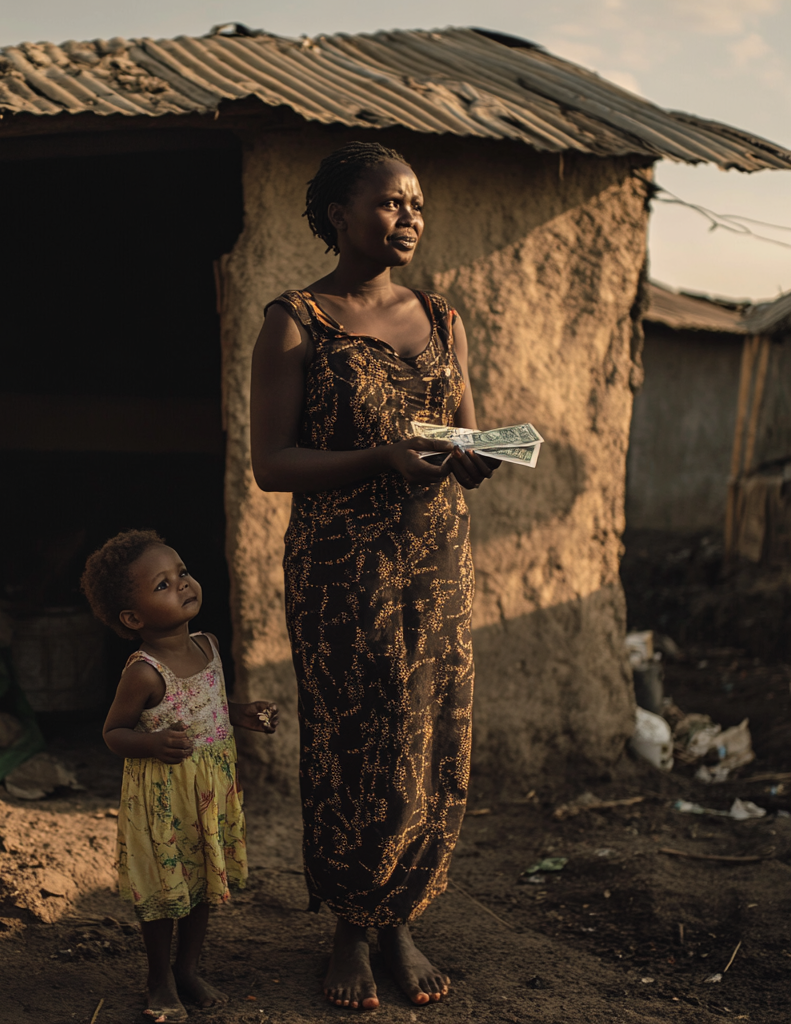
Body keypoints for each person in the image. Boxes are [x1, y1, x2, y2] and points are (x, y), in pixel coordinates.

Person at [250, 141, 499, 1011]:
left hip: (436, 562)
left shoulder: (444, 317)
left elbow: (462, 432)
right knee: (360, 734)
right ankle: (351, 928)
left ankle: (400, 916)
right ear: (338, 215)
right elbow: (272, 464)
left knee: (432, 736)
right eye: (391, 203)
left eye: (418, 205)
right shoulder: (296, 320)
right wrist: (381, 457)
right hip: (341, 568)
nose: (409, 219)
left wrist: (479, 455)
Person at [82, 530, 279, 1023]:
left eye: (183, 573)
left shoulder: (208, 645)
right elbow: (113, 732)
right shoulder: (143, 672)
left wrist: (242, 713)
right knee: (166, 889)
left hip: (209, 793)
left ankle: (188, 969)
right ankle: (159, 977)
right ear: (133, 618)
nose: (184, 585)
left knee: (201, 882)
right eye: (164, 585)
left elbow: (209, 705)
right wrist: (151, 743)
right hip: (165, 797)